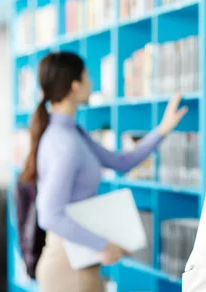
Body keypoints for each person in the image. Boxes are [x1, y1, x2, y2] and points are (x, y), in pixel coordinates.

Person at [19, 51, 187, 292]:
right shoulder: (64, 142)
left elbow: (121, 162)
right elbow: (50, 214)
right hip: (69, 268)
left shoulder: (73, 133)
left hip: (79, 260)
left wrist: (162, 130)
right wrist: (102, 245)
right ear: (75, 86)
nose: (92, 83)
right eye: (87, 77)